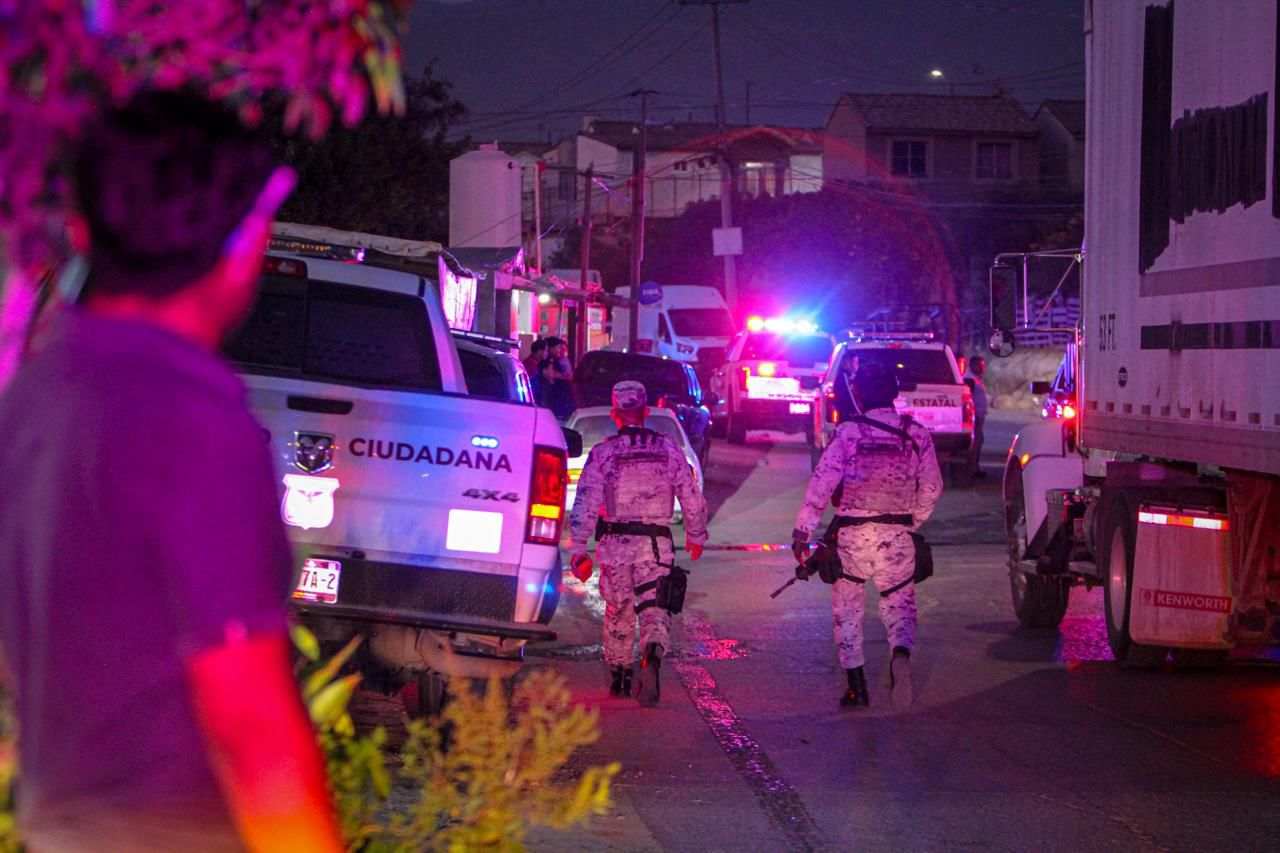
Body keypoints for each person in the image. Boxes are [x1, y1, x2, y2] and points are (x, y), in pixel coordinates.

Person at [0, 93, 342, 851]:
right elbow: (254, 731)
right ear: (247, 243)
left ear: (85, 231)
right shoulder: (195, 423)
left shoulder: (36, 394)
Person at [791, 361, 943, 710]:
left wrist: (803, 530)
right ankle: (900, 655)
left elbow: (822, 482)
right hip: (898, 535)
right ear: (895, 392)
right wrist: (912, 521)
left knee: (848, 610)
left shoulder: (848, 433)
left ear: (858, 393)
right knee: (899, 604)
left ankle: (857, 688)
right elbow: (933, 486)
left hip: (852, 537)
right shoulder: (917, 433)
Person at [568, 380, 708, 706]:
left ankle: (620, 677)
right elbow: (691, 495)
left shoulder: (604, 453)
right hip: (656, 546)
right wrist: (696, 534)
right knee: (655, 608)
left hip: (616, 545)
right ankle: (652, 653)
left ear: (615, 414)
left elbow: (586, 502)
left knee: (619, 611)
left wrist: (578, 548)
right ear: (645, 412)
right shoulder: (669, 449)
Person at [964, 355, 989, 478]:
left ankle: (974, 467)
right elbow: (969, 400)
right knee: (975, 443)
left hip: (979, 416)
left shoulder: (976, 379)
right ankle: (972, 469)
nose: (983, 368)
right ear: (973, 365)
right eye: (980, 365)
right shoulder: (970, 379)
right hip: (975, 417)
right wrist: (974, 417)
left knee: (979, 442)